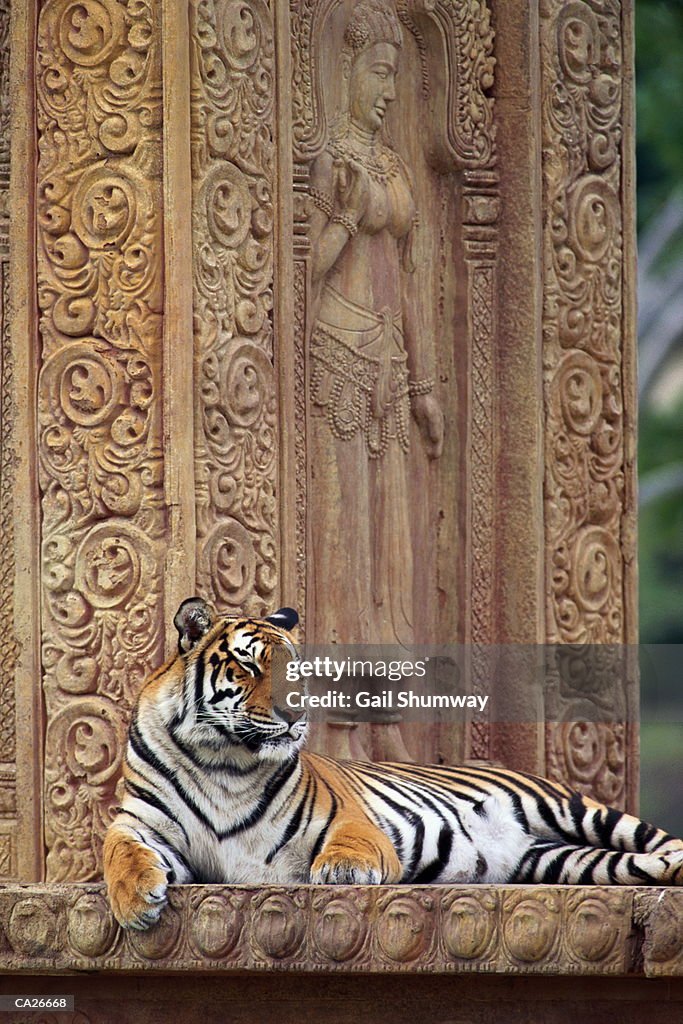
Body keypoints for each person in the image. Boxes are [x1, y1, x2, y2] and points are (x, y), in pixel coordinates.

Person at [307, 0, 443, 757]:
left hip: (390, 368)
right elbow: (300, 280)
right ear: (347, 71)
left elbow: (414, 278)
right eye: (379, 73)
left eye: (395, 74)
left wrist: (427, 385)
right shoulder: (334, 162)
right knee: (343, 548)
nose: (389, 89)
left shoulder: (389, 164)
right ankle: (339, 729)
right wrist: (340, 222)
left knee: (395, 554)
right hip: (337, 363)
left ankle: (391, 717)